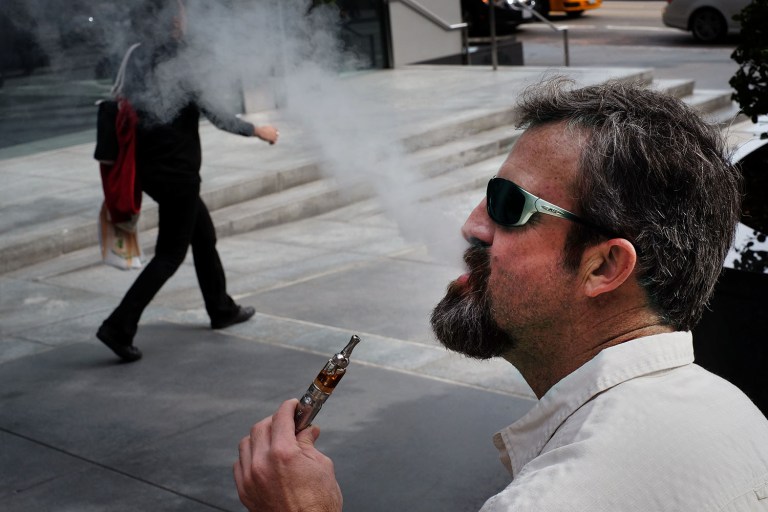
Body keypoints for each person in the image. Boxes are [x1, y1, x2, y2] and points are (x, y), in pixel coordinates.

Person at [232, 78, 768, 511]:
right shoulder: (735, 410)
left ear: (605, 265)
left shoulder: (560, 497)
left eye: (508, 206)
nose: (471, 226)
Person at [96, 0, 279, 363]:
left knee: (204, 236)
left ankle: (221, 308)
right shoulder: (180, 58)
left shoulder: (135, 54)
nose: (184, 17)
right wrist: (256, 129)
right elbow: (215, 112)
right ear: (168, 20)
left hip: (149, 169)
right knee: (169, 255)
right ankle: (118, 325)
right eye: (178, 12)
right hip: (177, 174)